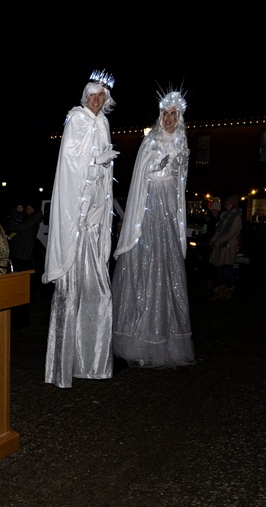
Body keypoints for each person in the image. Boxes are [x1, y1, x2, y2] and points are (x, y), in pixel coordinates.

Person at [43, 71, 119, 388]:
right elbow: (72, 165)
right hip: (76, 223)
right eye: (93, 95)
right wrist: (96, 159)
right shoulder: (76, 119)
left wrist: (102, 167)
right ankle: (61, 367)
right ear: (85, 97)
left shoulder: (103, 124)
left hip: (93, 222)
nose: (97, 101)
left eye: (102, 97)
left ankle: (91, 362)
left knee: (98, 295)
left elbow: (103, 181)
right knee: (69, 295)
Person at [111, 90, 195, 368]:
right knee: (143, 263)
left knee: (165, 269)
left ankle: (163, 337)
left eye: (174, 114)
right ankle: (135, 338)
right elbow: (139, 174)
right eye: (165, 114)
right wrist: (152, 167)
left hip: (167, 210)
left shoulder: (181, 141)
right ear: (160, 116)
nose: (169, 119)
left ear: (179, 117)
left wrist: (179, 168)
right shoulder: (151, 140)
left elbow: (180, 182)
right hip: (146, 210)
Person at [209, 196, 242, 301]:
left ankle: (229, 290)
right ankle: (222, 290)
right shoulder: (224, 217)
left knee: (227, 268)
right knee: (220, 268)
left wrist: (218, 242)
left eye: (229, 203)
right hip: (221, 245)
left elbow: (231, 233)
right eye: (226, 203)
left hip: (228, 245)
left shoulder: (236, 217)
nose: (227, 205)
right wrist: (213, 241)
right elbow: (219, 231)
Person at [9, 200, 44, 273]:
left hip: (24, 248)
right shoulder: (28, 217)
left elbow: (24, 226)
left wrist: (11, 229)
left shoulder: (34, 218)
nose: (28, 209)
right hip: (20, 246)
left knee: (22, 267)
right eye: (27, 207)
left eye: (30, 208)